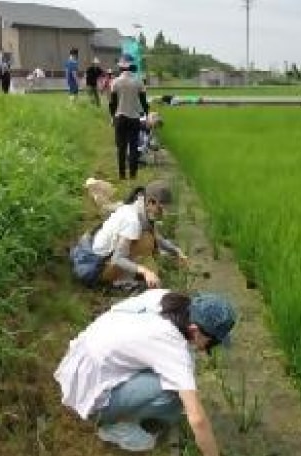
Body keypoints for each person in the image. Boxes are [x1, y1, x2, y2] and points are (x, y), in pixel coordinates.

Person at [54, 288, 236, 454]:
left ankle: (123, 407)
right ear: (195, 330)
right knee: (175, 396)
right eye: (213, 342)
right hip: (88, 391)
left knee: (178, 376)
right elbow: (197, 419)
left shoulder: (165, 298)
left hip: (80, 362)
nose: (211, 347)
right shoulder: (173, 347)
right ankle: (114, 428)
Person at [69, 180, 187, 290]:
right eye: (161, 209)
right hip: (94, 270)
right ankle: (121, 280)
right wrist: (145, 271)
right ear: (151, 202)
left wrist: (176, 251)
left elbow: (156, 236)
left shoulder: (137, 207)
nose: (163, 213)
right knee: (146, 242)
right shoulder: (133, 222)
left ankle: (128, 273)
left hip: (94, 256)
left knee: (148, 237)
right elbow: (118, 258)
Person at [109, 54, 149, 180]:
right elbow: (143, 102)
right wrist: (146, 115)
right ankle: (133, 175)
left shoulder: (115, 82)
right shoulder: (138, 81)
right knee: (133, 147)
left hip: (120, 118)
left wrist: (112, 117)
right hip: (134, 118)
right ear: (131, 65)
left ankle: (122, 175)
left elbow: (112, 103)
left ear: (120, 66)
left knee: (121, 148)